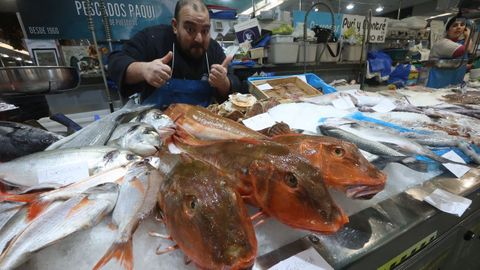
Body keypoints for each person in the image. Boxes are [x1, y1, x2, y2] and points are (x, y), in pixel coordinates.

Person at [108, 0, 239, 108]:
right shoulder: (153, 39)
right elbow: (115, 63)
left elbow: (234, 86)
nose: (199, 38)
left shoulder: (213, 50)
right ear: (175, 26)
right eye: (190, 29)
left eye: (205, 30)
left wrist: (223, 83)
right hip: (157, 128)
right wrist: (144, 69)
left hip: (201, 126)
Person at [427, 14, 473, 88]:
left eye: (462, 25)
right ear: (448, 31)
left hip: (452, 85)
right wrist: (468, 35)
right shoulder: (443, 43)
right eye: (455, 25)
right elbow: (466, 49)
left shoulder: (459, 43)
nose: (459, 27)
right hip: (436, 85)